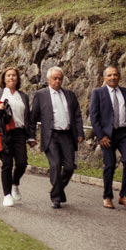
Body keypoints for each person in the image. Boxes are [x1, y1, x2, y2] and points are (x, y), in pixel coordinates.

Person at [29, 66, 82, 209]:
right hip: (51, 135)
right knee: (56, 165)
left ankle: (57, 189)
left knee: (70, 167)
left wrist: (80, 133)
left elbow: (77, 115)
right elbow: (32, 118)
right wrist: (31, 136)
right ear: (48, 80)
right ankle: (56, 198)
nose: (57, 81)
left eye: (60, 79)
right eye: (55, 78)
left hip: (67, 135)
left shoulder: (70, 95)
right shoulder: (41, 95)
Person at [89, 65, 126, 210]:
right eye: (110, 75)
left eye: (115, 75)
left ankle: (124, 196)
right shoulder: (98, 93)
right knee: (110, 165)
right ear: (104, 78)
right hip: (107, 135)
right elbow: (94, 116)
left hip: (124, 134)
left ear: (119, 76)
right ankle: (107, 196)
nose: (113, 78)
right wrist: (101, 136)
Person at [0, 66, 34, 207]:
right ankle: (7, 195)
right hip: (3, 133)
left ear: (17, 79)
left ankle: (15, 183)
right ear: (3, 79)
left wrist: (31, 136)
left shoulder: (23, 97)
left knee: (22, 163)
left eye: (14, 75)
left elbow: (28, 118)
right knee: (7, 163)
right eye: (8, 75)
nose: (11, 78)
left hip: (19, 133)